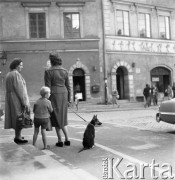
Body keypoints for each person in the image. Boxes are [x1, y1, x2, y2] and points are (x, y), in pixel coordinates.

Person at [44, 52, 71, 147]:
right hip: (64, 94)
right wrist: (69, 100)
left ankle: (60, 141)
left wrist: (45, 100)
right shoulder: (65, 71)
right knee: (63, 118)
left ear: (51, 60)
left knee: (56, 118)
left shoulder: (48, 71)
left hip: (53, 95)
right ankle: (67, 139)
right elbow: (68, 86)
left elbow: (47, 87)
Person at [4, 58, 30, 144]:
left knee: (16, 118)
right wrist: (24, 102)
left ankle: (17, 136)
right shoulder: (16, 74)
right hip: (17, 99)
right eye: (21, 65)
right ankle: (18, 137)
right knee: (19, 117)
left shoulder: (9, 74)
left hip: (11, 98)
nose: (22, 67)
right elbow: (20, 90)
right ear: (16, 65)